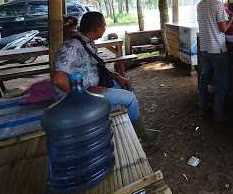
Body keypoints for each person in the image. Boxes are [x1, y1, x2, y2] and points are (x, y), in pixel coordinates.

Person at [52, 11, 158, 141]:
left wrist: (116, 75)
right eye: (104, 25)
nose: (105, 28)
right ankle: (141, 133)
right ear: (97, 29)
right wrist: (84, 93)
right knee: (130, 98)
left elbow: (96, 67)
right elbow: (58, 80)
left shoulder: (87, 42)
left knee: (127, 86)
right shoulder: (71, 47)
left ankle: (131, 125)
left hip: (92, 87)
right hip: (78, 97)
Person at [197, 0, 233, 121]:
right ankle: (218, 114)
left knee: (204, 81)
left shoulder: (200, 5)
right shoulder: (217, 5)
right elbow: (223, 28)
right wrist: (232, 20)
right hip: (218, 51)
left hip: (205, 49)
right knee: (222, 84)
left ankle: (202, 109)